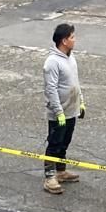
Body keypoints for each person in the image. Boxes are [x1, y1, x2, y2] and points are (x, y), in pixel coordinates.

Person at [42, 22, 85, 196]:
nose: (75, 40)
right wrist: (58, 112)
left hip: (71, 109)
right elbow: (50, 89)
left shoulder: (71, 58)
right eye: (72, 37)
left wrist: (81, 102)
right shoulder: (52, 63)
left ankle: (61, 171)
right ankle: (50, 176)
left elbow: (75, 82)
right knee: (54, 143)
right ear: (64, 40)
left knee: (65, 142)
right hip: (59, 113)